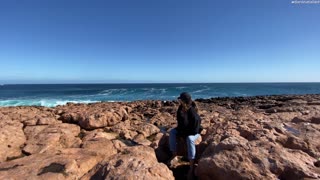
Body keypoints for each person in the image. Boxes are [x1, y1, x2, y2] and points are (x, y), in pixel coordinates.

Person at [168, 92, 202, 177]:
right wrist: (181, 133)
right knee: (172, 132)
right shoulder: (180, 108)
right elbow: (180, 123)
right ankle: (174, 154)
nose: (179, 101)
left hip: (195, 132)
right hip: (184, 130)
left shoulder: (192, 111)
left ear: (184, 101)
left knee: (189, 139)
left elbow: (195, 128)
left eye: (180, 99)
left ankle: (191, 166)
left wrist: (185, 135)